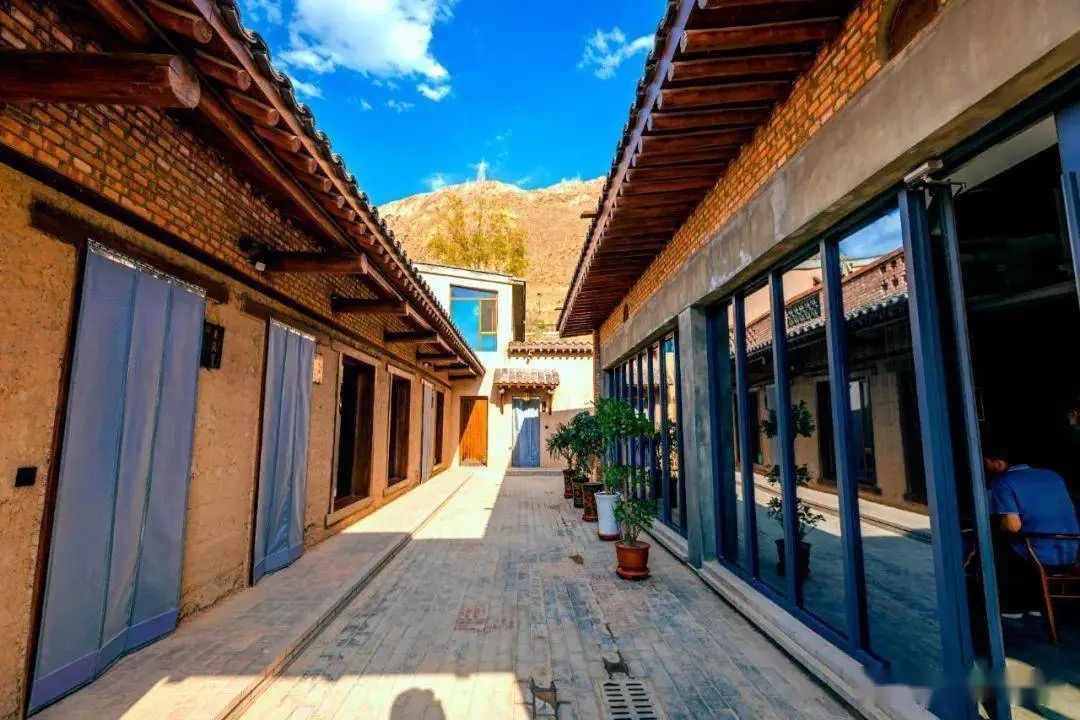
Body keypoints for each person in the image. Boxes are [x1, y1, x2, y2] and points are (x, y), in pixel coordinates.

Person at [985, 445, 1079, 619]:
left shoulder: (1003, 482)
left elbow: (1012, 526)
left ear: (997, 463)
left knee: (992, 545)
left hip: (1039, 556)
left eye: (987, 462)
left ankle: (1013, 606)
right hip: (1071, 551)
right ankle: (1038, 604)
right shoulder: (1052, 476)